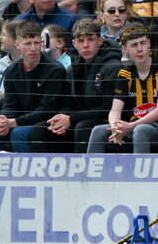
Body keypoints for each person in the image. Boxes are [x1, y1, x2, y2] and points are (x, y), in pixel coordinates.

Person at [30, 17, 120, 152]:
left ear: (100, 40)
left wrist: (71, 119)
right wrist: (62, 120)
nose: (85, 45)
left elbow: (107, 107)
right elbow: (67, 102)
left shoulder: (113, 66)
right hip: (78, 119)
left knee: (83, 127)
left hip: (106, 121)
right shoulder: (73, 68)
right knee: (41, 129)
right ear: (74, 43)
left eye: (90, 39)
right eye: (80, 40)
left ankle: (84, 171)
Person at [0, 20, 67, 152]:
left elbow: (47, 110)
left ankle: (28, 172)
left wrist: (14, 122)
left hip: (46, 121)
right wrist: (4, 119)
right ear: (17, 44)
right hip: (22, 120)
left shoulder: (55, 70)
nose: (33, 48)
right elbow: (10, 104)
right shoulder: (11, 71)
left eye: (36, 43)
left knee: (18, 133)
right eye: (28, 44)